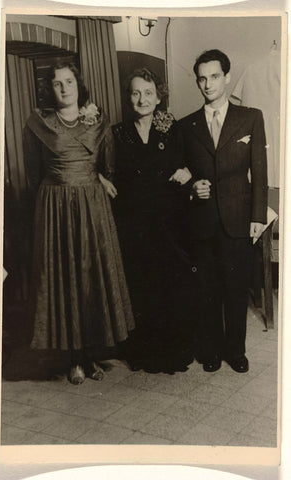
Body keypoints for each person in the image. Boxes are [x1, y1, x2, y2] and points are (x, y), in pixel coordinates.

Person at [23, 61, 134, 385]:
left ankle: (89, 355)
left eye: (69, 81)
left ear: (78, 84)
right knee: (64, 279)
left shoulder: (98, 121)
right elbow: (33, 173)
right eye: (57, 83)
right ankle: (71, 360)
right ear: (50, 89)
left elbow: (107, 165)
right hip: (55, 207)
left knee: (90, 279)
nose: (64, 88)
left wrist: (94, 176)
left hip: (92, 207)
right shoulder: (38, 123)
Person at [179, 50, 268, 373]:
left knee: (234, 288)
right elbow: (179, 170)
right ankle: (211, 350)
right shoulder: (186, 125)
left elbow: (260, 172)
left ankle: (236, 351)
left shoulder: (250, 118)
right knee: (208, 290)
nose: (208, 84)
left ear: (227, 77)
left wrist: (258, 216)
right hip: (202, 221)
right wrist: (192, 188)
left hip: (238, 218)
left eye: (214, 76)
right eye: (202, 78)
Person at [110, 67, 194, 373]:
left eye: (148, 92)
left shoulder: (172, 130)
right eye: (135, 92)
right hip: (134, 225)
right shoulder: (117, 133)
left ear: (159, 97)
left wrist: (188, 173)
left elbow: (188, 165)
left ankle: (172, 353)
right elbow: (106, 171)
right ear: (128, 97)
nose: (141, 99)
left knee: (169, 286)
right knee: (141, 288)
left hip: (168, 224)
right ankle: (145, 354)